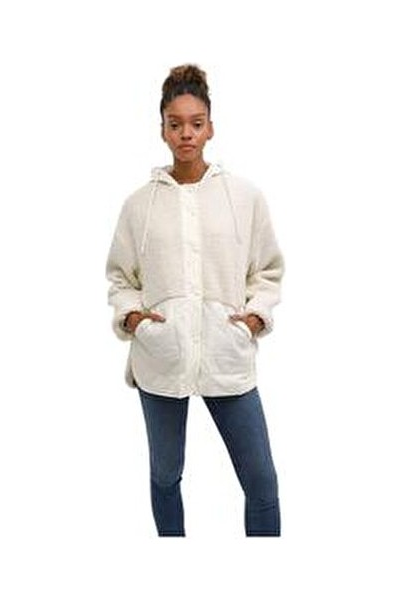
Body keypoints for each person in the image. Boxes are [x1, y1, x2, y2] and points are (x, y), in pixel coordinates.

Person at [105, 63, 285, 536]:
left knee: (262, 484)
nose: (186, 133)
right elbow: (120, 277)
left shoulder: (244, 197)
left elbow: (267, 270)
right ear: (162, 129)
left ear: (210, 128)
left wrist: (254, 318)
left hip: (227, 357)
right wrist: (134, 319)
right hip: (161, 361)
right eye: (175, 123)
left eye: (196, 123)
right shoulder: (138, 206)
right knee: (165, 477)